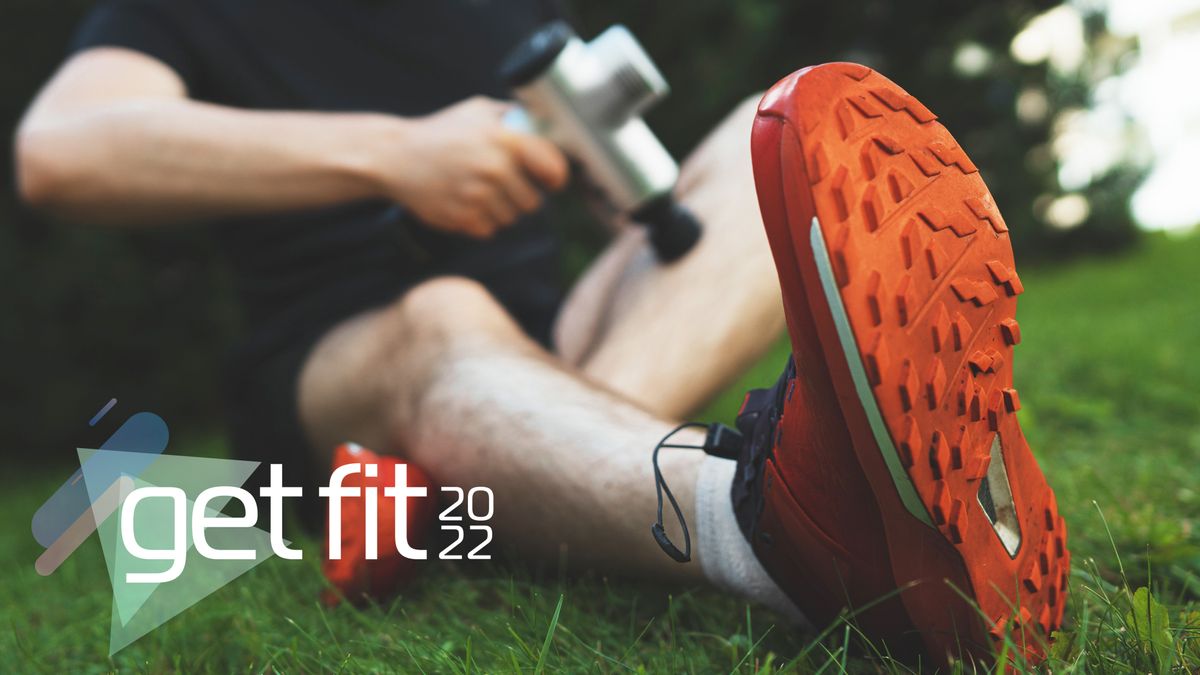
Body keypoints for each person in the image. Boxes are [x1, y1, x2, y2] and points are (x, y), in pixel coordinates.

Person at [14, 0, 1066, 665]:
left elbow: (619, 185)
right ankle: (760, 515)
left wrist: (628, 197)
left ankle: (508, 490)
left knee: (777, 142)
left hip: (556, 346)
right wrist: (394, 153)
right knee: (446, 316)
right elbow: (61, 150)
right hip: (341, 365)